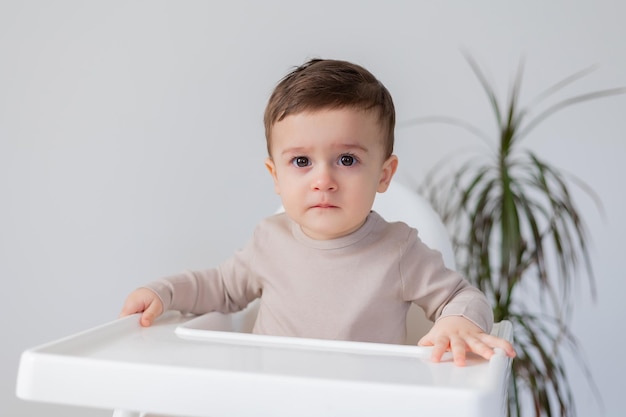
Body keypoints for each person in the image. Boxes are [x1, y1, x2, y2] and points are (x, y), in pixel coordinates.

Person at [120, 58, 516, 366]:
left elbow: (463, 296)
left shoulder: (399, 250)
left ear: (384, 173)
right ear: (275, 175)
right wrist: (163, 292)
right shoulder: (268, 240)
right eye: (301, 162)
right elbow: (220, 288)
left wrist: (458, 322)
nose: (323, 180)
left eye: (346, 159)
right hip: (270, 401)